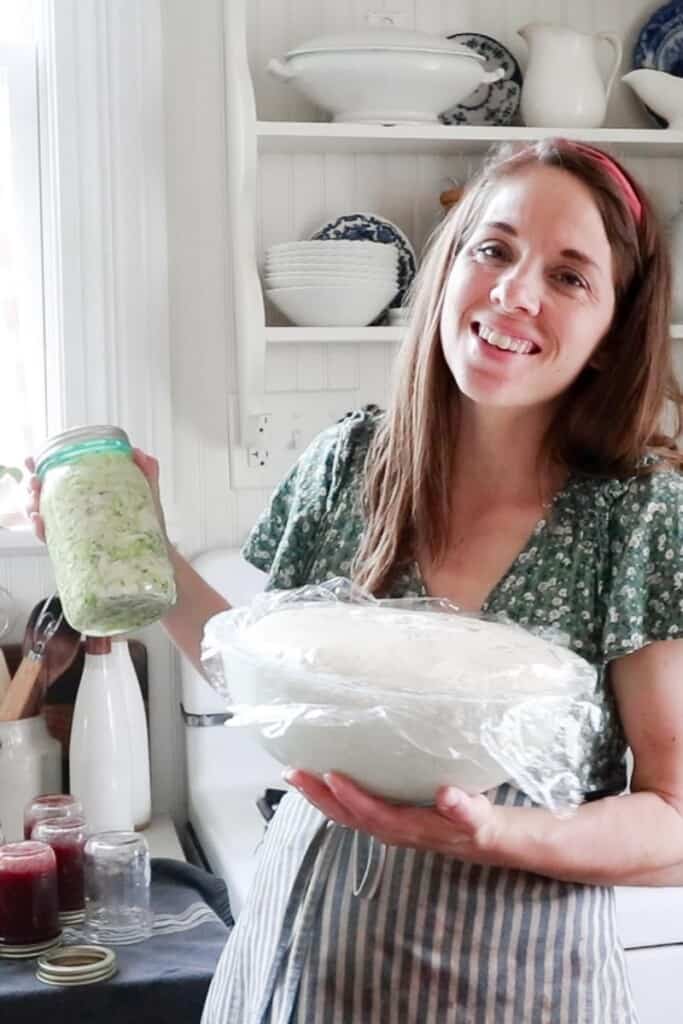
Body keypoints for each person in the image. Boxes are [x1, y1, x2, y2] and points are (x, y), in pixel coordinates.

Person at [27, 137, 683, 1023]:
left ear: (610, 334)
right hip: (295, 965)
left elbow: (673, 817)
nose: (514, 292)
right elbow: (274, 690)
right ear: (449, 270)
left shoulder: (637, 517)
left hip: (507, 983)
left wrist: (498, 834)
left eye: (569, 277)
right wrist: (145, 550)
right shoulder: (354, 461)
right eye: (492, 248)